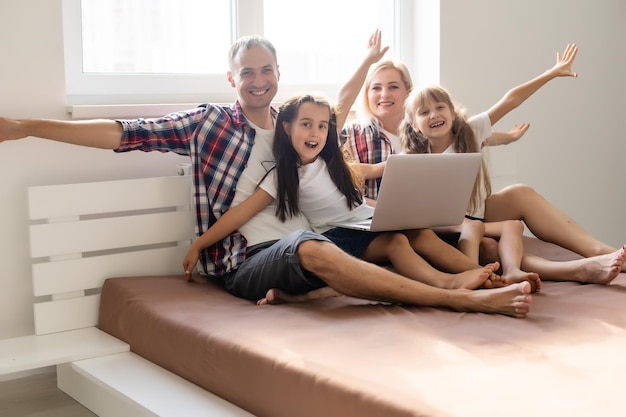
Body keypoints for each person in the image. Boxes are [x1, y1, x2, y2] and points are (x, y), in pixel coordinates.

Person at [0, 31, 533, 318]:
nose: (258, 80)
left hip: (317, 241)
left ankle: (469, 274)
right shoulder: (209, 123)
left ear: (278, 77)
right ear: (232, 78)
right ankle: (457, 298)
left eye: (267, 70)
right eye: (247, 72)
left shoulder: (292, 127)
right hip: (244, 260)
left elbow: (338, 112)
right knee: (312, 245)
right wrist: (25, 126)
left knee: (400, 232)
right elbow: (125, 132)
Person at [341, 46, 625, 283]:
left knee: (520, 193)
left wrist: (549, 74)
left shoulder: (464, 130)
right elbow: (363, 178)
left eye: (393, 87)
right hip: (444, 224)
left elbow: (507, 104)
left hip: (471, 212)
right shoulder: (406, 147)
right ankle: (571, 271)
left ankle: (600, 251)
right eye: (376, 88)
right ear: (413, 122)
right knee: (490, 246)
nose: (433, 115)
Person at [183, 94, 503, 293]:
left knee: (417, 232)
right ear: (286, 128)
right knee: (399, 241)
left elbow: (373, 176)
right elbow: (241, 212)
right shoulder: (284, 174)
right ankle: (447, 283)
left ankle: (476, 273)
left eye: (323, 126)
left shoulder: (332, 162)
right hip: (337, 237)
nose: (316, 133)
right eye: (306, 125)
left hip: (367, 223)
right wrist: (199, 244)